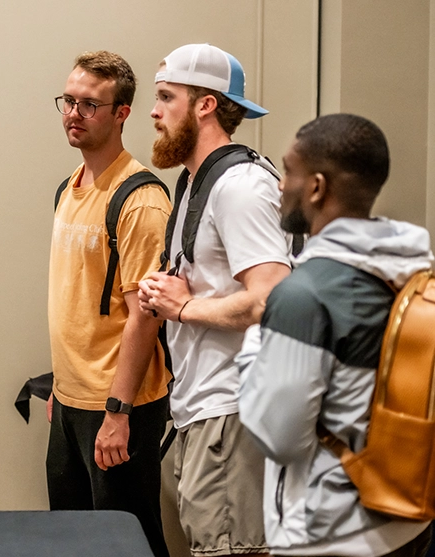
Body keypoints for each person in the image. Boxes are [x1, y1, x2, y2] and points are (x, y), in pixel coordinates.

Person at [237, 113, 434, 557]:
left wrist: (256, 340)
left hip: (334, 533)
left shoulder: (305, 296)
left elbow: (277, 436)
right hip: (407, 518)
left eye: (288, 170)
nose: (280, 184)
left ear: (317, 187)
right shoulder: (414, 270)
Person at [137, 43, 291, 557]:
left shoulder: (240, 187)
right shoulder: (196, 182)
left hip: (232, 411)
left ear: (205, 104)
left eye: (165, 97)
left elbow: (269, 300)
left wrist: (182, 309)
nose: (153, 112)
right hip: (201, 412)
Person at [47, 51, 171, 557]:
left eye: (90, 105)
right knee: (72, 544)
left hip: (118, 406)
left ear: (122, 113)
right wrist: (61, 388)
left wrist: (117, 412)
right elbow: (74, 298)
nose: (74, 113)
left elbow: (143, 315)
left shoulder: (140, 200)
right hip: (70, 401)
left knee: (128, 545)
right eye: (69, 101)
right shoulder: (68, 189)